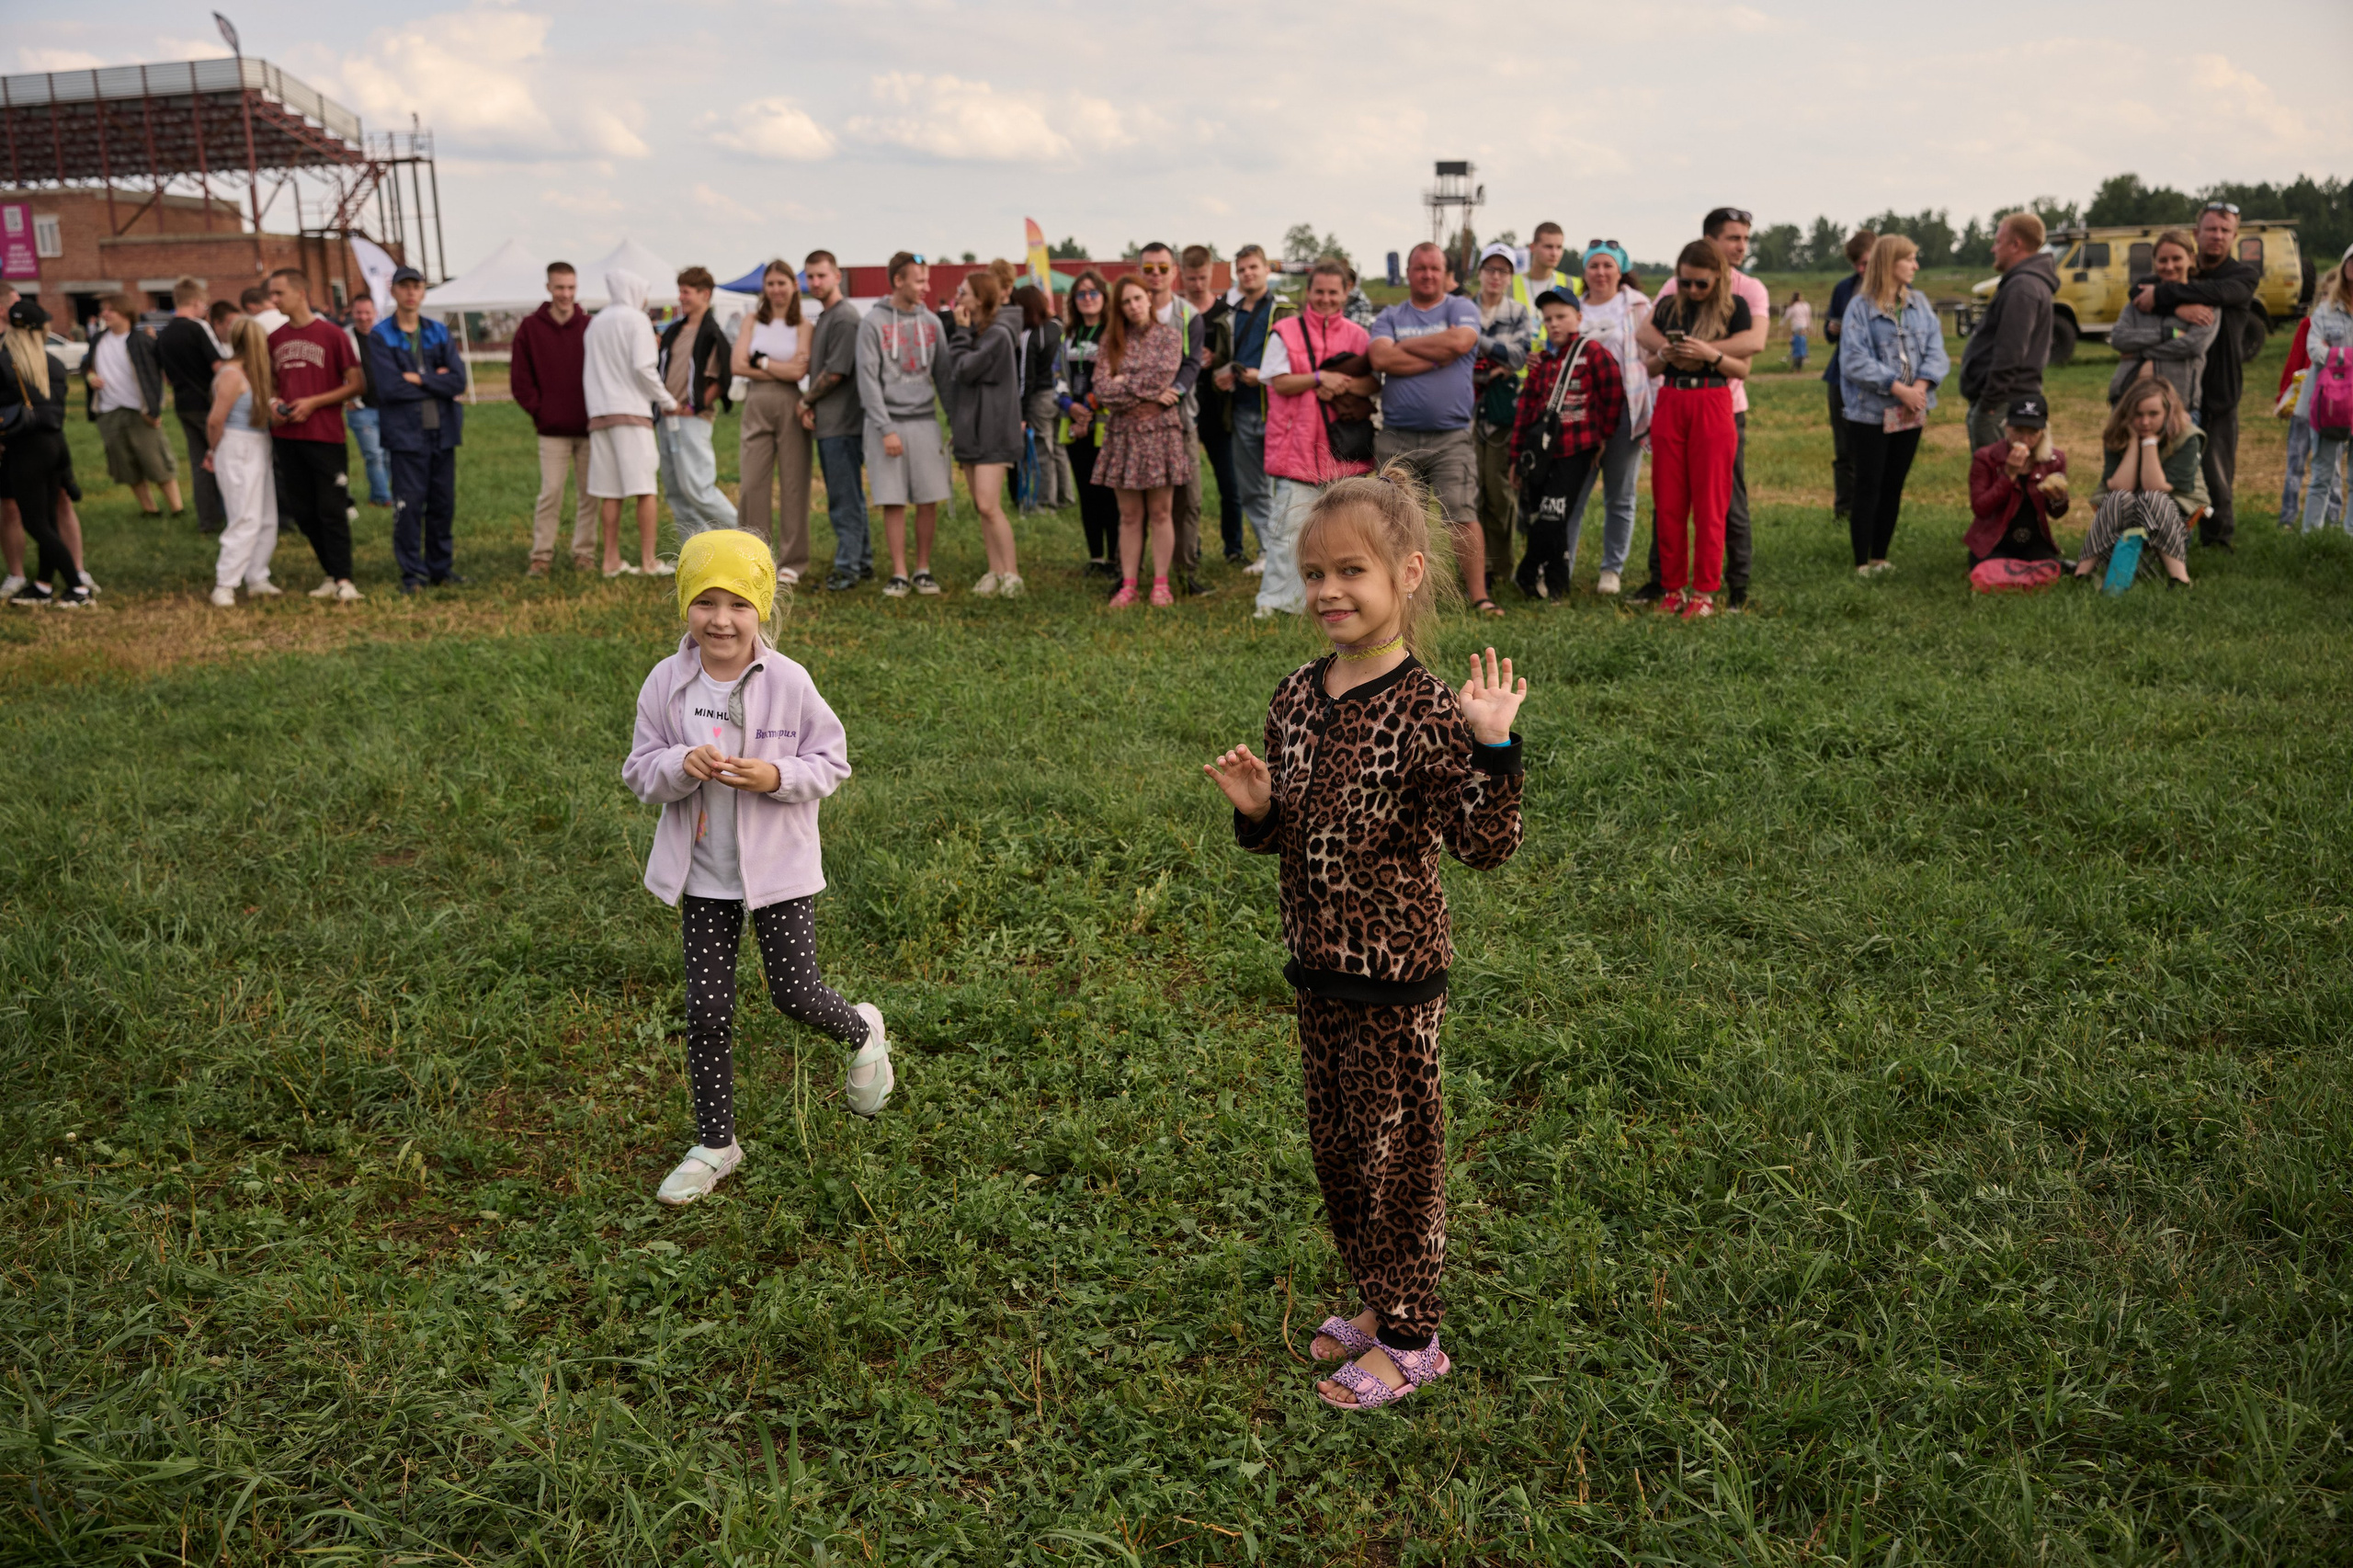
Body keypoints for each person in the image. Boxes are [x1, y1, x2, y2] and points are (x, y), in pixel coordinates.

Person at [1200, 468, 1527, 1412]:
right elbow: (1292, 831)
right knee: (1341, 1154)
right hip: (1317, 970)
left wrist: (1493, 748)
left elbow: (1483, 844)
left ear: (1407, 574)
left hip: (1396, 978)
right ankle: (1380, 1299)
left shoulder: (1426, 709)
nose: (1329, 591)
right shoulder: (1297, 696)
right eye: (1314, 574)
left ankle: (1417, 1340)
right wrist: (1259, 811)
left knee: (1400, 1159)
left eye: (1351, 571)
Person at [623, 528, 895, 1208]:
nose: (721, 619)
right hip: (703, 876)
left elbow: (831, 763)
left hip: (777, 872)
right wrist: (677, 764)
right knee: (707, 1010)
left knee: (794, 994)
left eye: (739, 603)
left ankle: (862, 1030)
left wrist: (776, 775)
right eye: (705, 601)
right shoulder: (666, 682)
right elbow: (640, 769)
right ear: (684, 605)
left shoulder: (790, 681)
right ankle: (716, 1145)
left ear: (763, 608)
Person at [1633, 209, 1770, 609]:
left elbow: (1744, 365)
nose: (1692, 289)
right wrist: (1666, 353)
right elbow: (1649, 361)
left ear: (1718, 277)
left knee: (1713, 503)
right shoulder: (1668, 305)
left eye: (1701, 283)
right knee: (1669, 500)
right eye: (1685, 281)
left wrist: (1708, 354)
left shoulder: (1737, 306)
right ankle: (1672, 587)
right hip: (1671, 399)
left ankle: (1706, 591)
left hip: (1714, 402)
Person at [1370, 243, 1492, 614]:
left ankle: (1479, 597)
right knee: (1395, 519)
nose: (1427, 275)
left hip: (1451, 437)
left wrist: (1405, 346)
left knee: (1462, 515)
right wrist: (1439, 356)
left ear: (1445, 274)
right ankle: (1400, 596)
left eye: (1434, 268)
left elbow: (1461, 341)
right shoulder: (1390, 314)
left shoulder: (1461, 308)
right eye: (1420, 268)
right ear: (1409, 272)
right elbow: (1380, 357)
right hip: (1397, 436)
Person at [1256, 259, 1377, 618]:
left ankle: (1343, 598)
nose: (1326, 298)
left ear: (1346, 293)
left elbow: (1373, 384)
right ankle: (1276, 602)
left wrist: (1343, 385)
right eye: (1319, 291)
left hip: (1344, 449)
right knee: (1288, 530)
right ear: (1308, 292)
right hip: (1297, 448)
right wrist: (1319, 378)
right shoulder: (1284, 331)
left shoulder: (1359, 335)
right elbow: (1279, 381)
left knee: (1346, 534)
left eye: (1333, 292)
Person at [2141, 202, 2258, 550]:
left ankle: (2218, 538)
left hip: (2221, 388)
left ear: (2234, 236)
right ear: (2197, 233)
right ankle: (2166, 534)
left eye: (2225, 230)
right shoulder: (2185, 271)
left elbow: (2219, 293)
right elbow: (2139, 291)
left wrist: (2165, 296)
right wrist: (2179, 304)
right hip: (2177, 388)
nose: (2217, 236)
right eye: (2211, 229)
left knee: (2216, 470)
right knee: (2171, 466)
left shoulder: (2242, 276)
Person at [1838, 234, 1949, 577]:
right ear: (1889, 262)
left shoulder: (1920, 304)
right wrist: (1898, 388)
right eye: (1909, 259)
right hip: (1870, 412)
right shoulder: (1860, 307)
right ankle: (1861, 561)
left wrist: (1920, 388)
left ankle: (1880, 557)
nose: (1916, 265)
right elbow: (1854, 359)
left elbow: (1937, 351)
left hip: (1912, 409)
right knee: (1869, 483)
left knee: (1894, 483)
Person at [1510, 289, 1627, 598]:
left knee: (1553, 514)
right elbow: (1525, 411)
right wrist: (1516, 458)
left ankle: (1527, 571)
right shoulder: (1543, 361)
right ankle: (1557, 585)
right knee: (1549, 516)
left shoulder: (1593, 353)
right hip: (1541, 454)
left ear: (1578, 317)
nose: (1554, 324)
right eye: (1548, 319)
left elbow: (1613, 392)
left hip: (1576, 449)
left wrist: (1603, 437)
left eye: (1561, 317)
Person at [365, 265, 469, 594]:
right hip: (406, 436)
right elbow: (389, 388)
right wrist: (437, 381)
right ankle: (412, 573)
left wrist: (420, 379)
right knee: (408, 506)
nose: (411, 293)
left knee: (442, 504)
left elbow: (458, 381)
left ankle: (440, 567)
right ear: (394, 291)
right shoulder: (381, 336)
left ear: (424, 291)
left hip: (442, 432)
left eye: (417, 286)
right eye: (404, 286)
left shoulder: (438, 332)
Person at [266, 267, 365, 601]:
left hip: (325, 436)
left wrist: (314, 402)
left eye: (279, 293)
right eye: (272, 294)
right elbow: (272, 384)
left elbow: (356, 384)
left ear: (301, 293)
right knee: (304, 512)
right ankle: (331, 573)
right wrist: (274, 403)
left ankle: (345, 580)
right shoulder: (274, 339)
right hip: (287, 437)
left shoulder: (332, 335)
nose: (274, 300)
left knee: (331, 509)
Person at [857, 252, 951, 598]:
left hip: (925, 421)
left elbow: (945, 377)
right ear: (898, 281)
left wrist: (954, 421)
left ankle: (922, 569)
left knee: (928, 498)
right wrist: (886, 429)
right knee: (893, 499)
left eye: (927, 280)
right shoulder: (873, 323)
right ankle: (899, 572)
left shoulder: (933, 323)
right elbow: (868, 381)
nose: (926, 287)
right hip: (887, 424)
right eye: (919, 280)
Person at [1094, 275, 1190, 607]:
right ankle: (1129, 584)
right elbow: (1102, 389)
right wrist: (1142, 393)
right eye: (1126, 301)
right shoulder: (1111, 341)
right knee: (1129, 514)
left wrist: (1123, 382)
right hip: (1123, 435)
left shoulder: (1169, 336)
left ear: (1149, 298)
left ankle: (1161, 584)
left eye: (1137, 298)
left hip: (1160, 432)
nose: (1133, 306)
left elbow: (1163, 378)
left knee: (1161, 512)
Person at [1561, 243, 1651, 597]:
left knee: (1620, 495)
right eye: (1593, 266)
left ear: (1620, 270)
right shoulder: (1575, 308)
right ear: (1584, 271)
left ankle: (1612, 569)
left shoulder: (1638, 307)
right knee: (1573, 494)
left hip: (1626, 411)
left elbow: (1651, 356)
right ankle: (1562, 566)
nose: (1600, 272)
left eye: (1607, 265)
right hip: (1580, 414)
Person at [584, 268, 677, 578]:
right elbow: (644, 368)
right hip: (632, 414)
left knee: (610, 490)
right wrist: (667, 401)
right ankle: (649, 561)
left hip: (600, 415)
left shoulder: (595, 323)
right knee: (645, 488)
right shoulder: (637, 320)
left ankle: (610, 561)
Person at [731, 260, 815, 585]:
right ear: (764, 288)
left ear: (794, 286)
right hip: (756, 402)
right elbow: (738, 365)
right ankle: (753, 556)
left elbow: (798, 372)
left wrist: (762, 362)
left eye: (782, 283)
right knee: (752, 483)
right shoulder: (752, 320)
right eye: (771, 284)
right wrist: (780, 368)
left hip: (791, 403)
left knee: (794, 482)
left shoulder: (804, 326)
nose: (777, 290)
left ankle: (793, 561)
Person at [510, 262, 596, 576]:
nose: (566, 294)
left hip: (589, 427)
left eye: (571, 287)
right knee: (551, 492)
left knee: (589, 495)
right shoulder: (530, 328)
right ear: (548, 288)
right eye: (560, 287)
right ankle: (541, 555)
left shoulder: (589, 326)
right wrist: (540, 410)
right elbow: (520, 379)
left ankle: (584, 553)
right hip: (552, 429)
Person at [943, 270, 1025, 597]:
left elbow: (963, 369)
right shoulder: (979, 332)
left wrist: (961, 333)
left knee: (990, 505)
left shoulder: (998, 335)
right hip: (971, 431)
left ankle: (1012, 574)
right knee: (981, 506)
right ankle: (995, 570)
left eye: (963, 293)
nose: (958, 298)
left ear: (980, 299)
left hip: (993, 432)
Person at [1, 299, 87, 608]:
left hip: (25, 448)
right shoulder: (53, 363)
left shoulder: (6, 361)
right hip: (55, 444)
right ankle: (43, 585)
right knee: (48, 520)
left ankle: (78, 588)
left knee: (35, 524)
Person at [2078, 377, 2202, 588]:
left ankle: (2180, 579)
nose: (2145, 422)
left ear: (2167, 413)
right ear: (2128, 415)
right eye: (2138, 414)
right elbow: (2121, 486)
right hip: (2125, 511)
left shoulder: (2187, 437)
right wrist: (2134, 442)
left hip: (2173, 514)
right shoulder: (2117, 435)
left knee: (2154, 498)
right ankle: (2081, 575)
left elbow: (2155, 487)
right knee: (2117, 497)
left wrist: (2150, 443)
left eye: (2153, 414)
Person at [1135, 243, 1209, 595]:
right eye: (1149, 269)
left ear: (1174, 271)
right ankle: (1129, 573)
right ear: (1139, 271)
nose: (1156, 275)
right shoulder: (1130, 309)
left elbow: (1193, 363)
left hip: (1179, 420)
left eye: (1163, 268)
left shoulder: (1188, 315)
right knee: (1136, 502)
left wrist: (1172, 393)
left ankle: (1184, 572)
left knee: (1188, 500)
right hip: (1136, 421)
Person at [799, 252, 870, 593]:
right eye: (810, 276)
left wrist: (806, 401)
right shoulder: (827, 315)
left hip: (843, 423)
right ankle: (862, 562)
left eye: (821, 275)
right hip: (831, 421)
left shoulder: (844, 317)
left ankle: (847, 569)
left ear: (837, 276)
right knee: (849, 496)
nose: (815, 282)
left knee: (844, 500)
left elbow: (836, 372)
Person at [1959, 212, 2057, 454]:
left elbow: (2011, 351)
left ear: (2016, 245)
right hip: (2005, 399)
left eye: (1998, 241)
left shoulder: (2023, 287)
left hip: (2002, 403)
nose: (1993, 249)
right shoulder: (2024, 282)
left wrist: (1990, 402)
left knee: (1997, 472)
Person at [201, 315, 282, 606]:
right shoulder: (232, 375)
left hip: (258, 443)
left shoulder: (253, 373)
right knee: (244, 517)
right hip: (237, 446)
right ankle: (225, 584)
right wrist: (213, 451)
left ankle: (257, 576)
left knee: (266, 517)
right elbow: (215, 421)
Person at [656, 267, 739, 546]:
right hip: (667, 418)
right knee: (676, 492)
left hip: (692, 419)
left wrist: (694, 406)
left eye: (687, 292)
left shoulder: (711, 333)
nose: (681, 297)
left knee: (698, 489)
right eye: (680, 291)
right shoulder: (675, 330)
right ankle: (697, 551)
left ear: (705, 294)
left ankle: (746, 537)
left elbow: (721, 378)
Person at [1470, 244, 1535, 596]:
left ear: (1511, 277)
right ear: (1480, 273)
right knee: (1469, 495)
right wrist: (1494, 363)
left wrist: (1477, 341)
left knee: (1500, 493)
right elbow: (1455, 354)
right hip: (1465, 412)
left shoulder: (1518, 311)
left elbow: (1519, 355)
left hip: (1501, 414)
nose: (1496, 277)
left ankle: (1501, 566)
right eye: (1490, 270)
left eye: (1503, 271)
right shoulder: (1463, 308)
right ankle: (1473, 570)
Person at [85, 294, 183, 517]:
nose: (104, 314)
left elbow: (154, 377)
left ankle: (177, 509)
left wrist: (153, 409)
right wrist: (90, 378)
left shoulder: (141, 341)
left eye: (110, 309)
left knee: (157, 461)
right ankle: (150, 510)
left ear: (125, 312)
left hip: (139, 411)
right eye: (103, 309)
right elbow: (87, 367)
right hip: (108, 412)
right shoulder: (98, 340)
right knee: (125, 465)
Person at [1219, 244, 1284, 573]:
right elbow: (1220, 355)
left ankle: (1290, 552)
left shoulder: (1283, 310)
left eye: (1253, 267)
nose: (1248, 274)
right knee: (1252, 489)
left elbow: (1298, 357)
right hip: (1242, 409)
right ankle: (1267, 551)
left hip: (1278, 410)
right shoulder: (1230, 314)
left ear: (1266, 269)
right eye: (1242, 269)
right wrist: (1223, 372)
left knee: (1286, 487)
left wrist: (1266, 375)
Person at [1181, 245, 1244, 564]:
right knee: (1186, 488)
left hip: (1220, 409)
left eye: (1202, 278)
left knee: (1230, 485)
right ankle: (1191, 547)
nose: (1197, 284)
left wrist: (1218, 360)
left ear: (1211, 274)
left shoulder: (1225, 313)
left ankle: (1234, 548)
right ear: (1182, 275)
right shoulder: (1176, 312)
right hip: (1184, 408)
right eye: (1191, 278)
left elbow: (1239, 357)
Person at [2109, 232, 2215, 413]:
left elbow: (2193, 345)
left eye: (2176, 259)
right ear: (2154, 262)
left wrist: (2138, 353)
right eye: (2163, 260)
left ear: (2191, 259)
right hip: (2127, 405)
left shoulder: (2205, 305)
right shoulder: (2140, 301)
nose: (2169, 266)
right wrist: (2168, 334)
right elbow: (2118, 338)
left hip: (2179, 409)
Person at [1057, 269, 1120, 577]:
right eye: (1081, 294)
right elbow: (1056, 377)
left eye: (1093, 292)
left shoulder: (1113, 335)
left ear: (1104, 297)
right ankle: (1095, 557)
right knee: (1087, 493)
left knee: (1109, 494)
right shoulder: (1067, 337)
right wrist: (1069, 406)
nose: (1087, 299)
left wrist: (1089, 408)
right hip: (1075, 426)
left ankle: (1115, 558)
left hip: (1106, 426)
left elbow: (1117, 375)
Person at [155, 276, 227, 534]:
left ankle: (207, 521)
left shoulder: (164, 333)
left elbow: (165, 375)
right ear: (197, 302)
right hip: (209, 405)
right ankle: (233, 516)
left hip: (184, 404)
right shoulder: (199, 327)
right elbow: (219, 367)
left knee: (200, 464)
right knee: (223, 459)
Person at [1964, 394, 2069, 568]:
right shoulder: (1986, 457)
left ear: (2043, 432)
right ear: (2007, 427)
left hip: (2033, 540)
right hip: (1993, 541)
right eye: (2018, 431)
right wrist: (2009, 475)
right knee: (1992, 571)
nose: (2024, 439)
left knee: (2048, 569)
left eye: (2032, 432)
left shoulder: (2054, 460)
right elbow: (1981, 508)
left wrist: (2058, 499)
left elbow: (2057, 513)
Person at [2291, 244, 2353, 534]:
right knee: (2322, 473)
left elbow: (2324, 353)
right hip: (2329, 403)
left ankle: (2350, 536)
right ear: (2344, 267)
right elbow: (2314, 350)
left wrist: (2335, 355)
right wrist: (2345, 357)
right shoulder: (2325, 311)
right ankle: (2311, 537)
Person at [1822, 229, 1875, 522]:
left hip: (1876, 380)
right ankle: (1844, 511)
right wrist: (1832, 328)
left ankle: (1872, 509)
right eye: (1856, 264)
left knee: (1873, 450)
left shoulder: (1897, 290)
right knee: (1844, 450)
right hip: (1841, 377)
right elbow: (1830, 331)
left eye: (1865, 263)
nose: (1861, 269)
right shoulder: (1844, 287)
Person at [1013, 282, 1068, 511]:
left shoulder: (1029, 336)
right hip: (1061, 395)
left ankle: (1046, 503)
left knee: (1043, 451)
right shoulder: (1058, 326)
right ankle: (1066, 497)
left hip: (1040, 398)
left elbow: (1026, 377)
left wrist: (1022, 413)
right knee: (1058, 448)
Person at [343, 296, 394, 510]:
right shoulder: (344, 338)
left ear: (375, 313)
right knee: (374, 455)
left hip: (388, 406)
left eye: (367, 313)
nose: (363, 317)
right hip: (361, 408)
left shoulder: (385, 335)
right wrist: (347, 398)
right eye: (359, 313)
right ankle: (383, 497)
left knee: (390, 455)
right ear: (352, 313)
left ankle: (378, 493)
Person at [1515, 222, 1577, 314]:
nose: (1554, 253)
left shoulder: (1575, 284)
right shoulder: (1509, 285)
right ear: (1532, 247)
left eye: (1559, 247)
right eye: (1548, 247)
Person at [1785, 290, 1812, 370]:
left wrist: (1781, 324)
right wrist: (1809, 327)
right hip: (1803, 329)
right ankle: (1801, 361)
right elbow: (1808, 317)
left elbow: (1786, 316)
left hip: (1796, 329)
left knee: (1796, 347)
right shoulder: (1806, 305)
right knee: (1802, 346)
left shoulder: (1792, 307)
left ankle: (1796, 365)